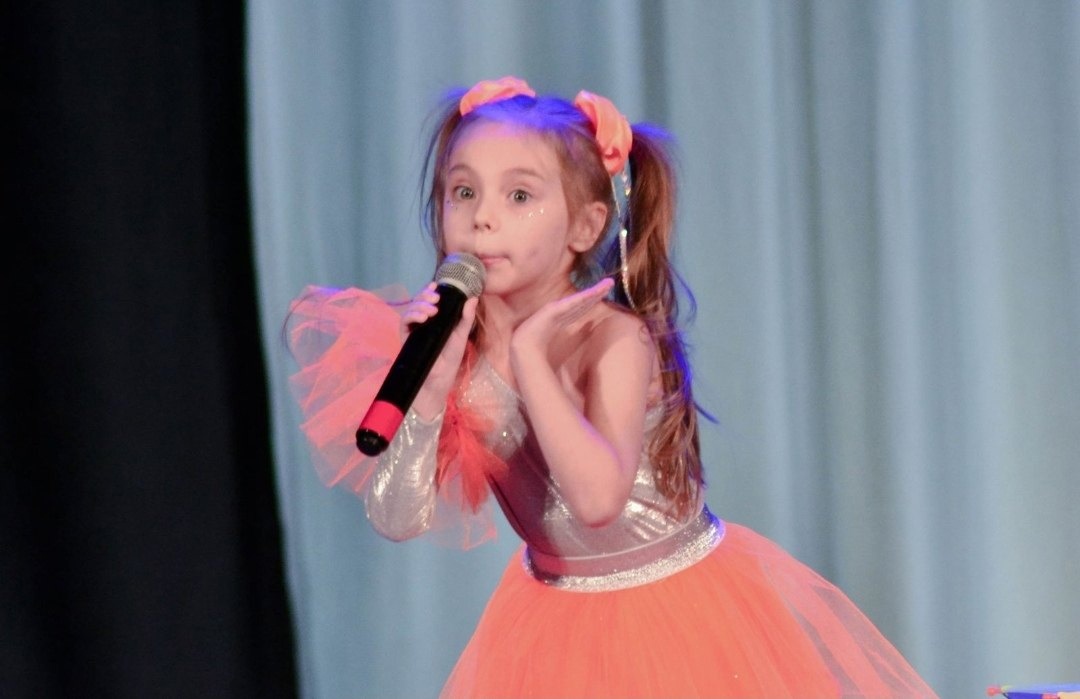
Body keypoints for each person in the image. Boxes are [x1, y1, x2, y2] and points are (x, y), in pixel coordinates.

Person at [287, 76, 937, 698]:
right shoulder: (450, 343)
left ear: (584, 226)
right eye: (463, 191)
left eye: (519, 196)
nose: (483, 218)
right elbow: (397, 517)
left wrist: (530, 359)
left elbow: (597, 499)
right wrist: (429, 393)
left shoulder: (614, 341)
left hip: (675, 613)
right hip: (551, 619)